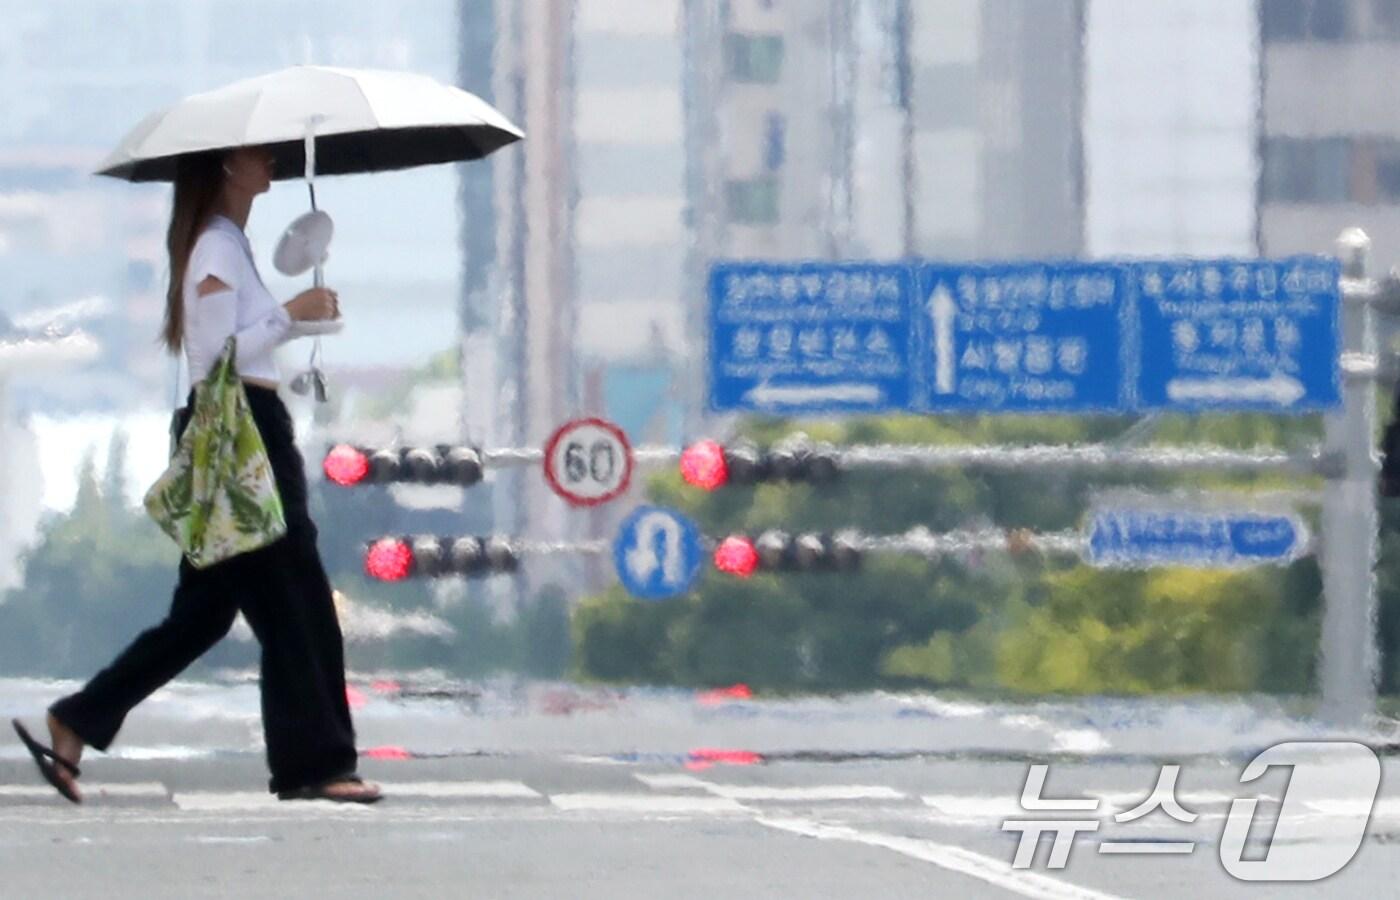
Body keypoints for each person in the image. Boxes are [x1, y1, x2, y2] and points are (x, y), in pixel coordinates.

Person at [11, 146, 381, 804]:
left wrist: (299, 320)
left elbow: (240, 345)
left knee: (205, 616)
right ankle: (317, 764)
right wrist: (290, 314)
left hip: (248, 430)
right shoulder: (216, 246)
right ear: (225, 167)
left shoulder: (228, 244)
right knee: (297, 601)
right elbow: (214, 357)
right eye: (254, 153)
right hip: (241, 439)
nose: (268, 159)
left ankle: (78, 718)